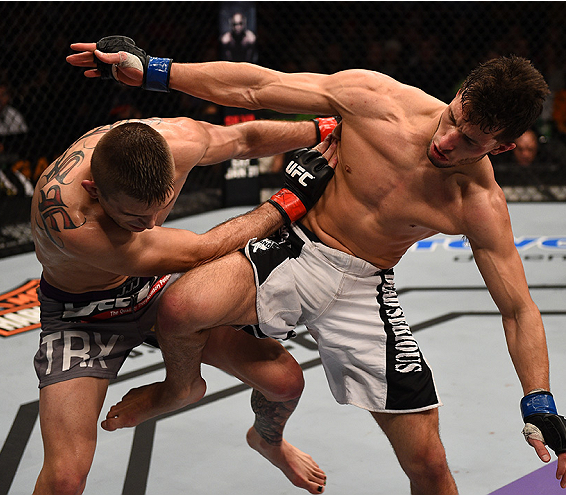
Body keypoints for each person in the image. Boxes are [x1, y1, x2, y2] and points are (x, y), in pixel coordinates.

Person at [67, 38, 566, 493]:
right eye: (453, 118)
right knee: (180, 307)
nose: (446, 141)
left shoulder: (479, 203)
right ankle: (181, 388)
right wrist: (154, 70)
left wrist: (539, 401)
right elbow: (257, 87)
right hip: (296, 244)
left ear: (505, 146)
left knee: (429, 464)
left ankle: (265, 437)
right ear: (456, 97)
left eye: (471, 142)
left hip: (365, 286)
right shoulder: (379, 100)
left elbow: (518, 308)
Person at [30, 110, 339, 494]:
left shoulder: (179, 139)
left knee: (286, 383)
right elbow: (200, 252)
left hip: (159, 286)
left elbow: (245, 139)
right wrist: (293, 197)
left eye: (159, 208)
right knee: (64, 478)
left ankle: (267, 441)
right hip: (86, 316)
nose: (148, 224)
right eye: (131, 217)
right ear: (95, 190)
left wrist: (328, 128)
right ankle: (179, 389)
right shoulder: (67, 218)